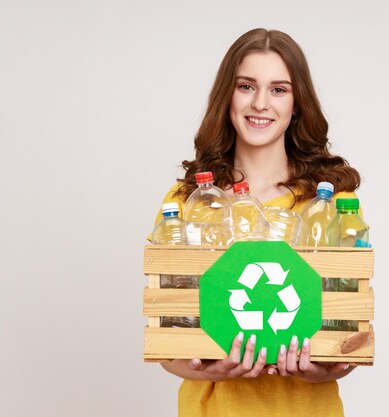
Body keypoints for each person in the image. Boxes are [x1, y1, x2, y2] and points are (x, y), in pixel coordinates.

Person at [152, 28, 363, 417]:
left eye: (279, 89)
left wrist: (316, 372)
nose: (261, 103)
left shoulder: (333, 203)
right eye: (246, 86)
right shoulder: (184, 203)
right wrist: (212, 371)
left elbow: (346, 340)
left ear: (297, 104)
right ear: (227, 97)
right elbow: (168, 344)